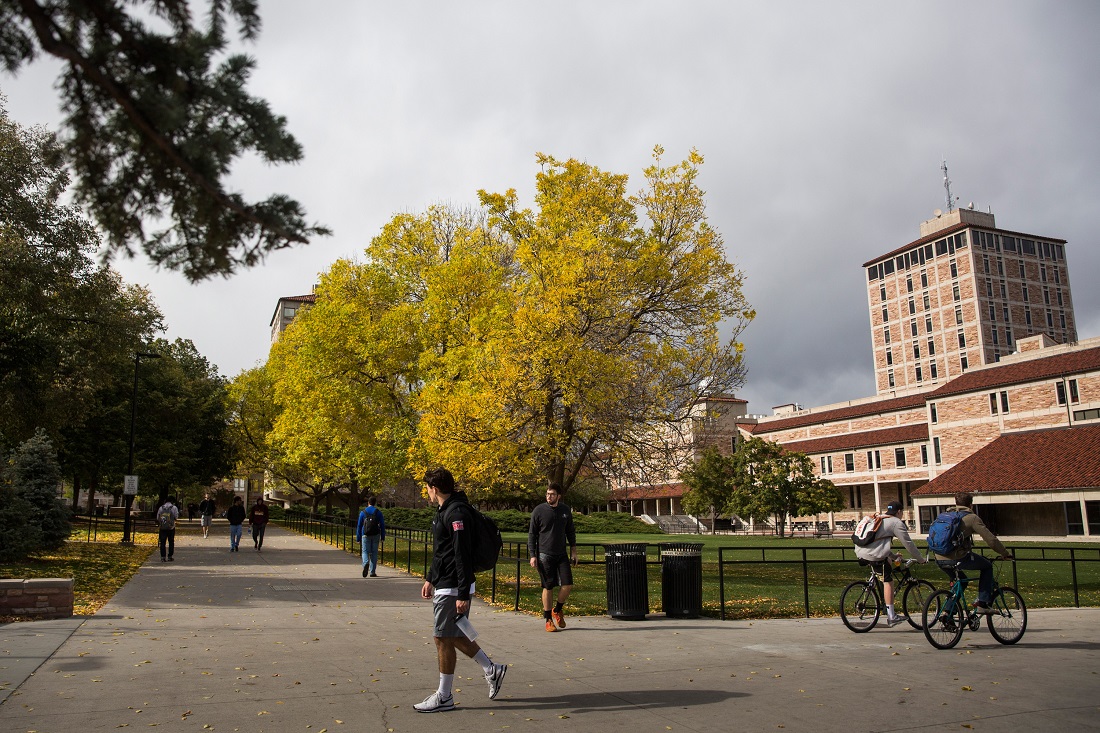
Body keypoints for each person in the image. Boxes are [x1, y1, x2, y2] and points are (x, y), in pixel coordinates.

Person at [414, 467, 507, 713]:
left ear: (434, 488)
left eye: (427, 488)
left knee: (442, 637)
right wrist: (430, 578)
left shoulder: (457, 513)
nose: (427, 493)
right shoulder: (445, 510)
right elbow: (442, 551)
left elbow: (461, 554)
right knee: (451, 634)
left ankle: (444, 696)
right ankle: (491, 669)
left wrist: (463, 593)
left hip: (454, 585)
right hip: (445, 581)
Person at [931, 492, 1013, 613]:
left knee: (961, 582)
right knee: (987, 566)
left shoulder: (944, 515)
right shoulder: (972, 518)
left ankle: (948, 612)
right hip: (957, 557)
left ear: (956, 503)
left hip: (939, 557)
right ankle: (982, 603)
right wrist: (1005, 553)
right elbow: (991, 539)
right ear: (971, 505)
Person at [853, 499, 926, 626]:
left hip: (860, 552)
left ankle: (873, 589)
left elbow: (879, 542)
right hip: (873, 555)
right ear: (899, 512)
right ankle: (891, 616)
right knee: (888, 581)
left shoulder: (880, 518)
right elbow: (908, 544)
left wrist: (892, 556)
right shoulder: (896, 522)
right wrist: (920, 559)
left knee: (887, 562)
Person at [528, 482, 578, 632]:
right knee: (548, 586)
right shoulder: (539, 511)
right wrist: (532, 555)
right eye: (548, 494)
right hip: (544, 554)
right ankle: (548, 619)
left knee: (567, 585)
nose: (549, 496)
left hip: (561, 553)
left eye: (552, 494)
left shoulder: (565, 510)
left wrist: (574, 551)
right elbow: (532, 534)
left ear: (559, 496)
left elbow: (570, 531)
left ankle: (557, 610)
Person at [356, 496, 386, 577]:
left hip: (365, 534)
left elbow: (359, 525)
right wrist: (383, 536)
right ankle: (372, 572)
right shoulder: (378, 512)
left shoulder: (363, 512)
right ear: (375, 503)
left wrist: (358, 538)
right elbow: (382, 525)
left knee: (365, 551)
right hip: (376, 534)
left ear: (368, 503)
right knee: (374, 552)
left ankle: (366, 563)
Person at [156, 495, 179, 562]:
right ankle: (170, 556)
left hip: (162, 527)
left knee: (162, 542)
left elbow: (158, 517)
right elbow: (176, 517)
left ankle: (163, 557)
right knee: (171, 542)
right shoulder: (174, 508)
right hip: (171, 527)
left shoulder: (161, 508)